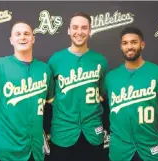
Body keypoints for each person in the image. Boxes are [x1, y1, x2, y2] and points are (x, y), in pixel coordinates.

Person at [0, 21, 54, 161]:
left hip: (34, 151)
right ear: (11, 40)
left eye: (26, 34)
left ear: (33, 39)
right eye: (17, 34)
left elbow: (54, 105)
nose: (22, 37)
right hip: (5, 151)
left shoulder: (44, 70)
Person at [105, 27, 158, 161]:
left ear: (142, 44)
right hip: (120, 150)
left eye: (134, 42)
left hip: (150, 148)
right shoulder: (111, 77)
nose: (129, 47)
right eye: (125, 43)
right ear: (121, 46)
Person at [47, 12, 109, 161]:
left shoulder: (100, 60)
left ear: (89, 31)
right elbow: (50, 97)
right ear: (69, 30)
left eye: (84, 28)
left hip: (92, 132)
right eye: (75, 27)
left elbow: (102, 95)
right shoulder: (56, 60)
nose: (79, 32)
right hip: (63, 133)